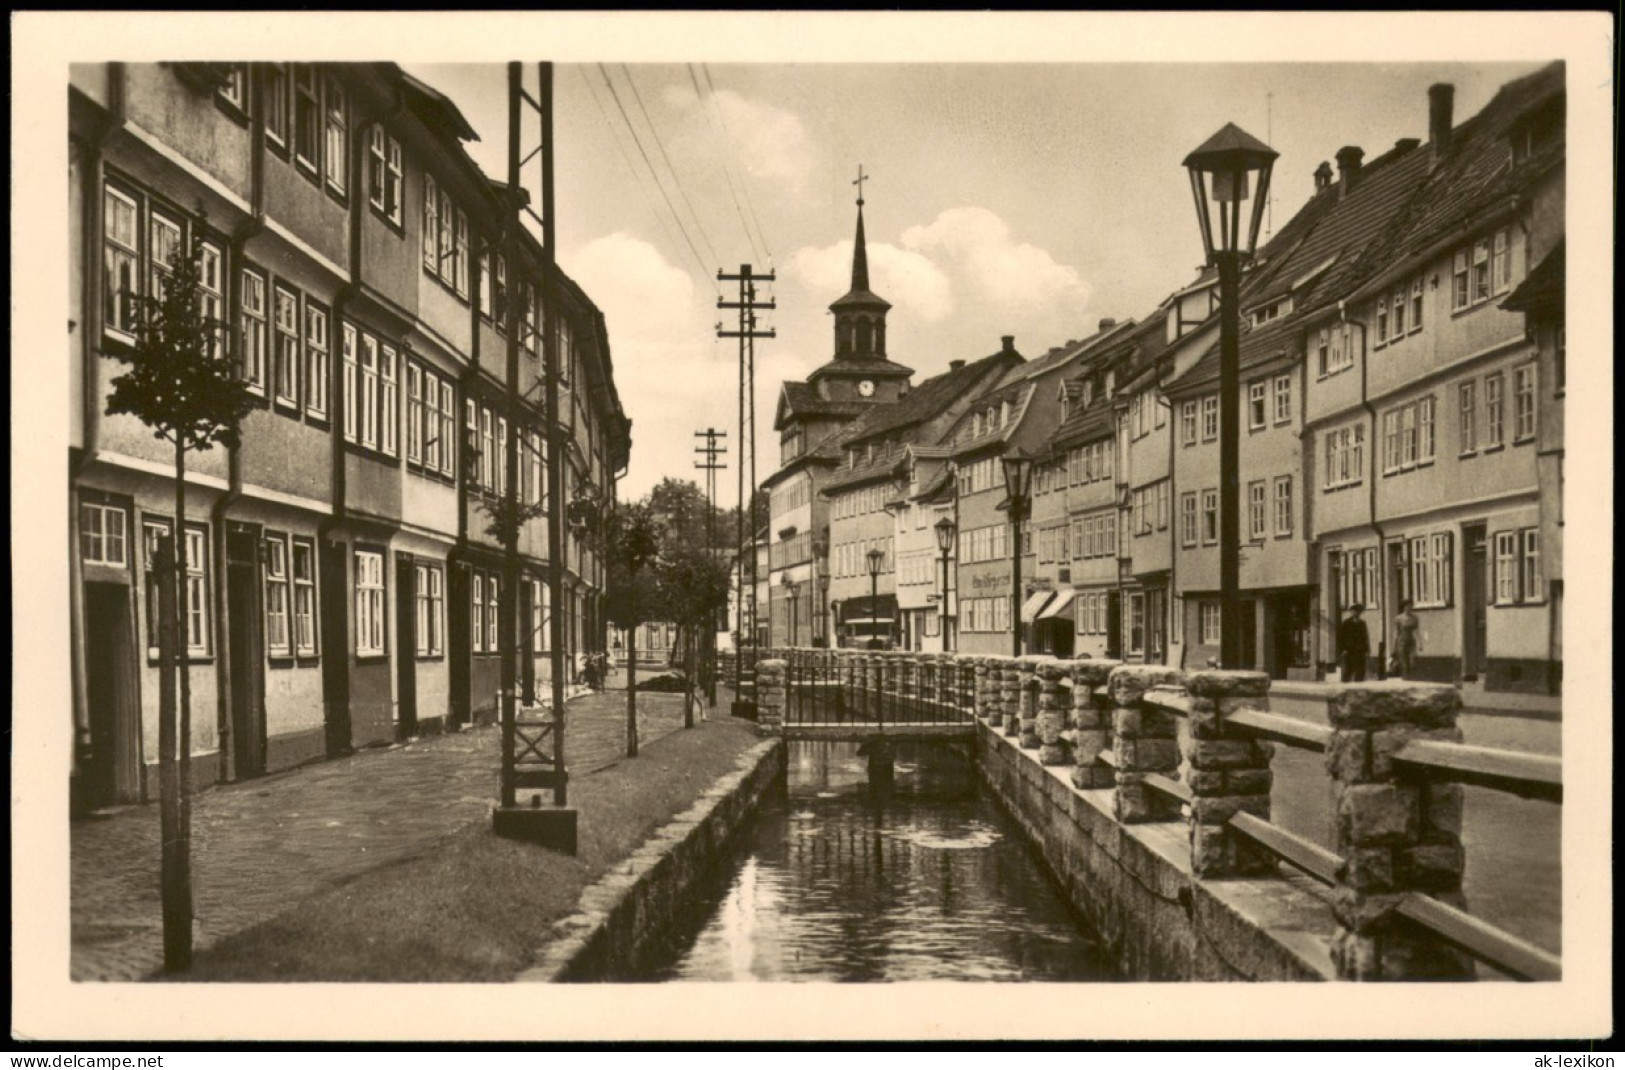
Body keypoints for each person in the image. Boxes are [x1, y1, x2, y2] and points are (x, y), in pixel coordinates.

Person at [1337, 604, 1370, 681]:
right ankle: (1345, 687)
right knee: (1348, 669)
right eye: (1355, 611)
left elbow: (1365, 637)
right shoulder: (1346, 623)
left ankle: (1359, 686)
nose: (1357, 613)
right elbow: (1341, 637)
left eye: (1359, 612)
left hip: (1360, 650)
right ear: (1351, 612)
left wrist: (1367, 649)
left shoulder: (1362, 623)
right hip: (1349, 650)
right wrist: (1343, 649)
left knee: (1360, 670)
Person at [1392, 600, 1420, 678]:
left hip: (1411, 641)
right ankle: (1406, 677)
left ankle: (1410, 675)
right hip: (1401, 641)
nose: (1409, 608)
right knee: (1404, 661)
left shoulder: (1415, 618)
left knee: (1412, 660)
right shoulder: (1399, 618)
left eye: (1410, 606)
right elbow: (1396, 631)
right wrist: (1395, 643)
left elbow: (1417, 630)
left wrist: (1420, 643)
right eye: (1407, 607)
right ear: (1404, 608)